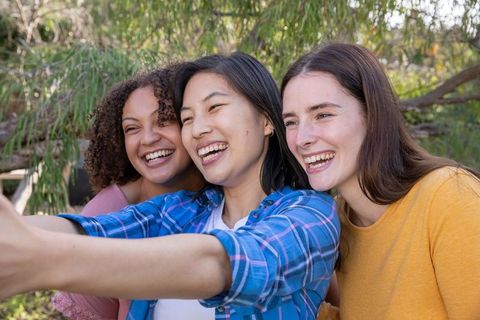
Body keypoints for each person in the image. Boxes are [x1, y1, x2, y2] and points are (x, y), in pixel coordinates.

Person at [0, 52, 340, 320]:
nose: (198, 129)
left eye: (215, 107)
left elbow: (222, 265)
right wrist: (17, 230)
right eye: (188, 118)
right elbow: (93, 231)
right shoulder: (182, 209)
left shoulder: (310, 215)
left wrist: (41, 259)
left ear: (266, 119)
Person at [280, 42, 480, 320]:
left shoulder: (449, 196)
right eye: (291, 122)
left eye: (323, 115)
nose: (302, 139)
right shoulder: (333, 221)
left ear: (372, 114)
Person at [52, 67, 205, 319]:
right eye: (132, 128)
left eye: (163, 120)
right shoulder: (106, 214)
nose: (147, 138)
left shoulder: (228, 193)